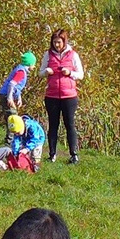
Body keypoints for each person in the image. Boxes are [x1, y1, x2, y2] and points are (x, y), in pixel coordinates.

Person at [43, 28, 85, 164]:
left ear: (64, 42)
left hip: (69, 96)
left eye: (59, 42)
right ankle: (52, 155)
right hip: (52, 96)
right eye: (54, 42)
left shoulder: (73, 55)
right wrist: (46, 71)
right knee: (53, 125)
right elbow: (40, 72)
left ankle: (74, 155)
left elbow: (81, 74)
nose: (57, 45)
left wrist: (70, 73)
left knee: (70, 125)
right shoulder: (48, 55)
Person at [0, 50, 36, 122]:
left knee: (11, 117)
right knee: (13, 117)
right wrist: (9, 98)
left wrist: (19, 98)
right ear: (30, 64)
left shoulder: (21, 69)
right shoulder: (21, 72)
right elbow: (12, 84)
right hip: (6, 95)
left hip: (7, 94)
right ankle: (12, 133)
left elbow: (17, 87)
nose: (34, 66)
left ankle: (12, 132)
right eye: (33, 64)